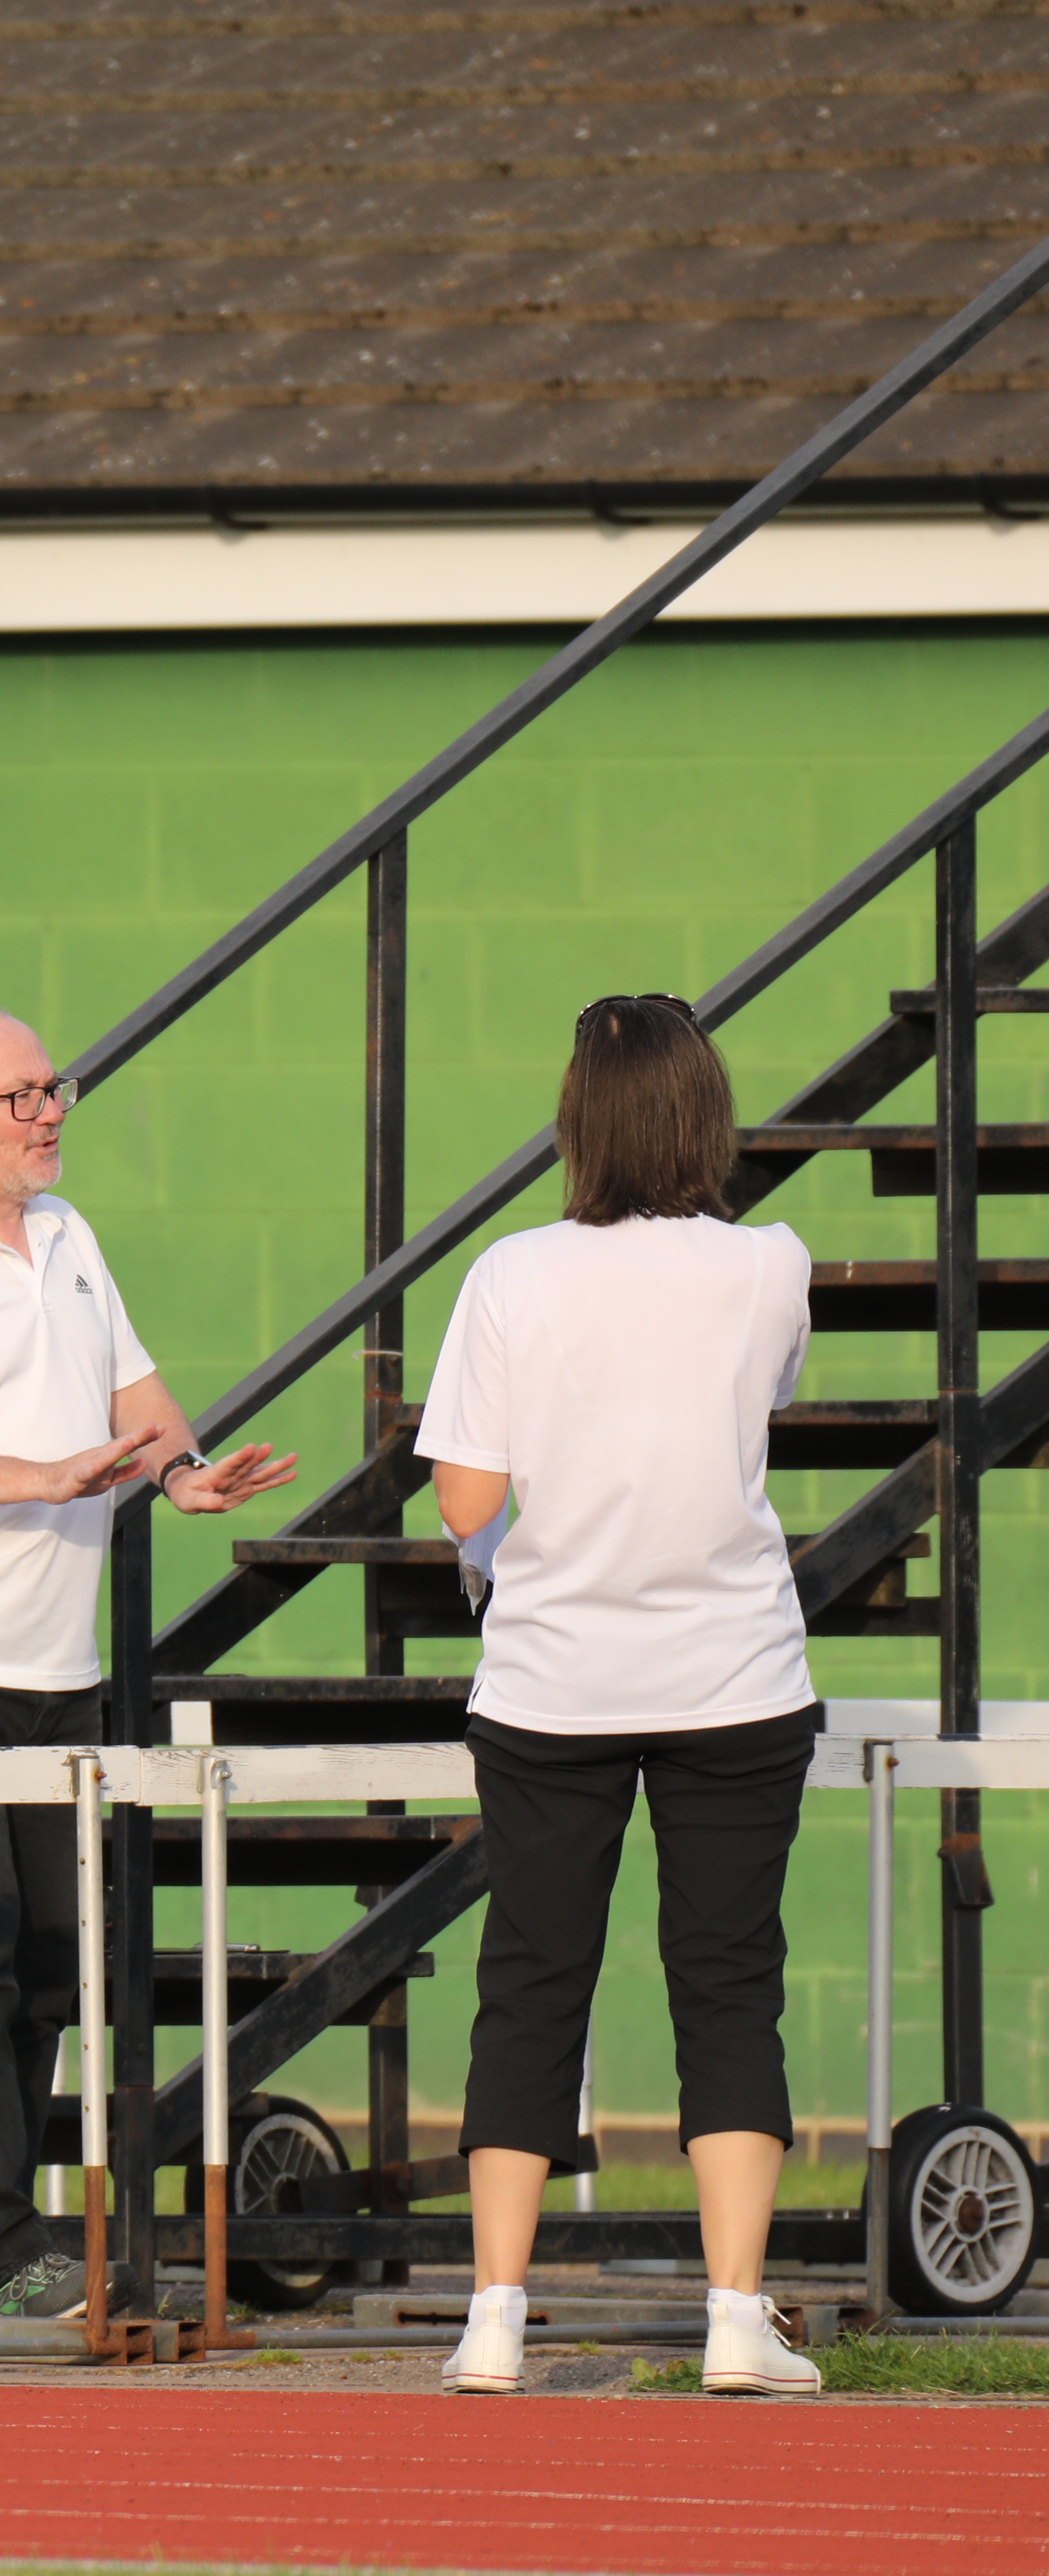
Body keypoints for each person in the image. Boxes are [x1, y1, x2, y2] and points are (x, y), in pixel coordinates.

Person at [0, 1007, 295, 2320]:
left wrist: (183, 1472)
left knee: (40, 1954)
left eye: (53, 1087)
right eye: (19, 1093)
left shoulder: (72, 1240)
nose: (49, 1111)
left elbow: (133, 1393)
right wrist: (34, 1477)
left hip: (49, 1656)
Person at [421, 995, 822, 2396]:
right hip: (733, 1672)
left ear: (576, 1120)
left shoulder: (510, 1274)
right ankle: (733, 2314)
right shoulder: (773, 1263)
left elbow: (467, 1495)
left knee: (531, 1981)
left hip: (550, 1679)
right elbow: (754, 1407)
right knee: (728, 1984)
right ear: (705, 1112)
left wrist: (514, 1561)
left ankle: (493, 2313)